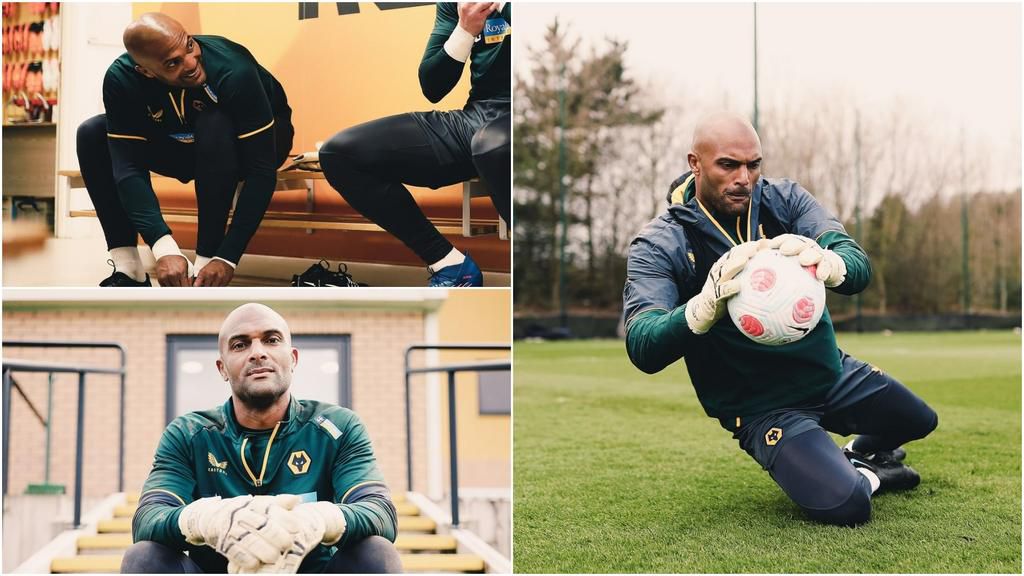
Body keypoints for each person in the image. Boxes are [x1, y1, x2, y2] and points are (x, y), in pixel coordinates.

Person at [622, 112, 938, 526]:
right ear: (694, 163)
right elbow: (642, 344)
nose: (744, 178)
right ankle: (869, 474)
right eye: (728, 164)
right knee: (847, 505)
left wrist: (830, 262)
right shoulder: (661, 243)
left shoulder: (784, 200)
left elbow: (854, 261)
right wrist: (699, 309)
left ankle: (859, 454)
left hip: (829, 373)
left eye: (753, 164)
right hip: (762, 406)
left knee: (920, 419)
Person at [121, 303, 402, 573]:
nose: (257, 353)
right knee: (144, 557)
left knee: (376, 552)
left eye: (271, 340)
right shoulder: (188, 433)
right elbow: (148, 518)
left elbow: (379, 512)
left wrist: (315, 520)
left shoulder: (338, 427)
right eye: (240, 345)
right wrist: (208, 520)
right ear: (222, 368)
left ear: (292, 359)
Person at [77, 13, 294, 288]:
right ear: (145, 71)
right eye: (173, 63)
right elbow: (128, 166)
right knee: (91, 133)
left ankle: (205, 263)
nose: (191, 63)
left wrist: (226, 257)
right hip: (183, 142)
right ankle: (129, 270)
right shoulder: (121, 79)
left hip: (254, 144)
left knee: (214, 121)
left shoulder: (233, 68)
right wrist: (163, 247)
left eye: (189, 46)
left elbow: (261, 171)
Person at [319, 2, 511, 287]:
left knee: (492, 143)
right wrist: (465, 29)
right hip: (478, 117)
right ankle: (451, 266)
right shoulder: (454, 5)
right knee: (339, 153)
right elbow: (432, 86)